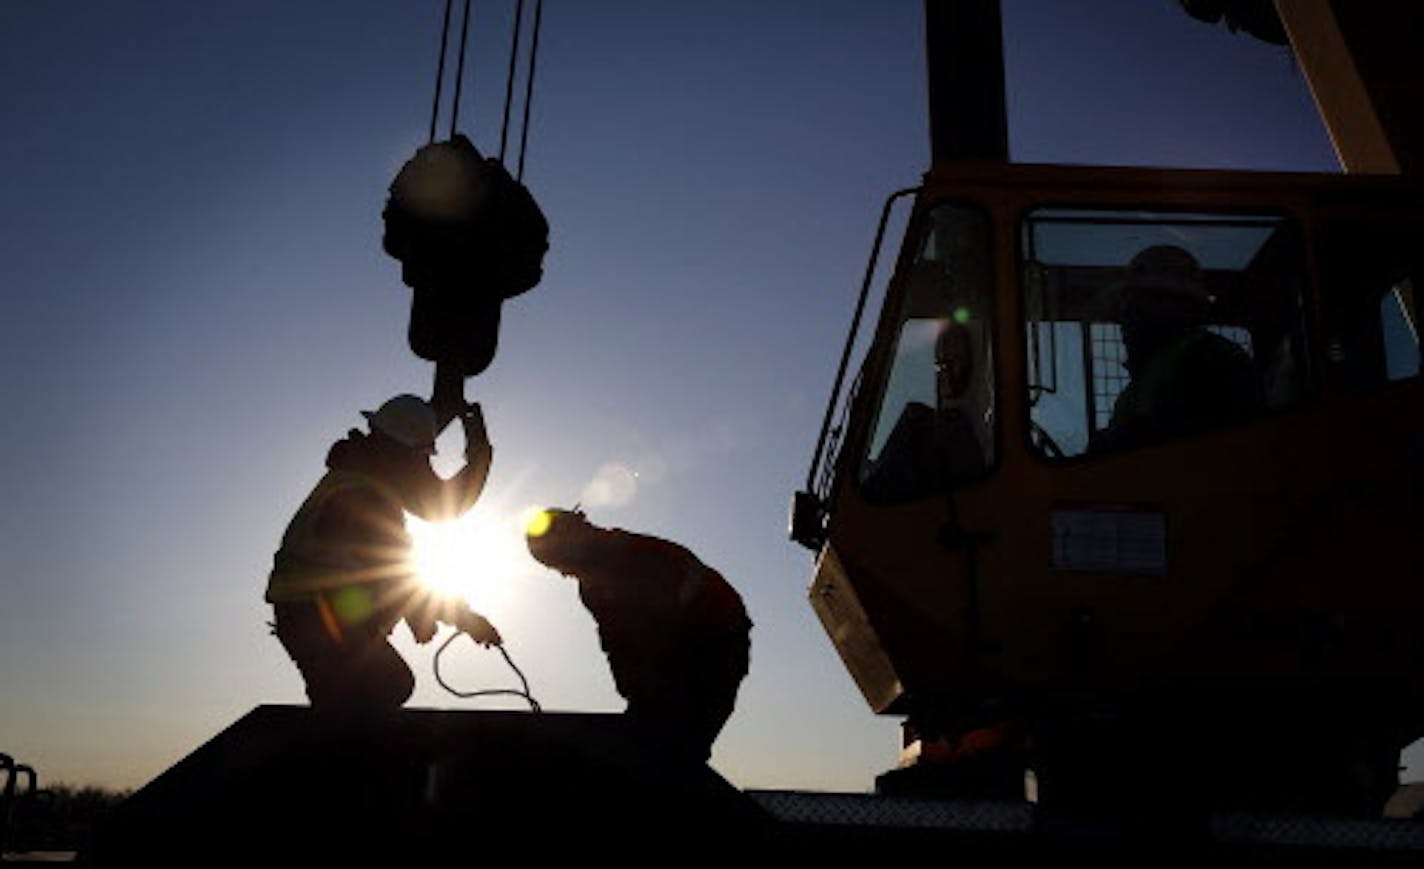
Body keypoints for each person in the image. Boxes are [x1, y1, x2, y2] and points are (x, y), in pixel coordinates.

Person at [265, 394, 503, 714]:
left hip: (312, 611)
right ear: (400, 454)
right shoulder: (363, 495)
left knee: (361, 691)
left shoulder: (359, 478)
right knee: (385, 684)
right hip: (315, 614)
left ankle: (331, 747)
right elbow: (394, 574)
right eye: (420, 458)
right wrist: (462, 619)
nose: (423, 468)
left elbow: (432, 516)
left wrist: (478, 444)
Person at [523, 508, 752, 764]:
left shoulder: (638, 559)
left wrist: (646, 693)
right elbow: (614, 641)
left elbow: (661, 631)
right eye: (555, 568)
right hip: (674, 649)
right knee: (653, 738)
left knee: (680, 742)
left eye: (561, 561)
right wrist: (634, 691)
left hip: (716, 639)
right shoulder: (592, 588)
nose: (564, 573)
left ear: (576, 538)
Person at [1096, 244, 1264, 452]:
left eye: (1142, 301)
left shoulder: (1211, 358)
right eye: (1128, 304)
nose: (1127, 316)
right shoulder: (1143, 379)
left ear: (1182, 305)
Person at [861, 319, 990, 499]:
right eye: (940, 363)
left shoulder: (943, 427)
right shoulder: (978, 430)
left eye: (954, 359)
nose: (944, 371)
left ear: (972, 360)